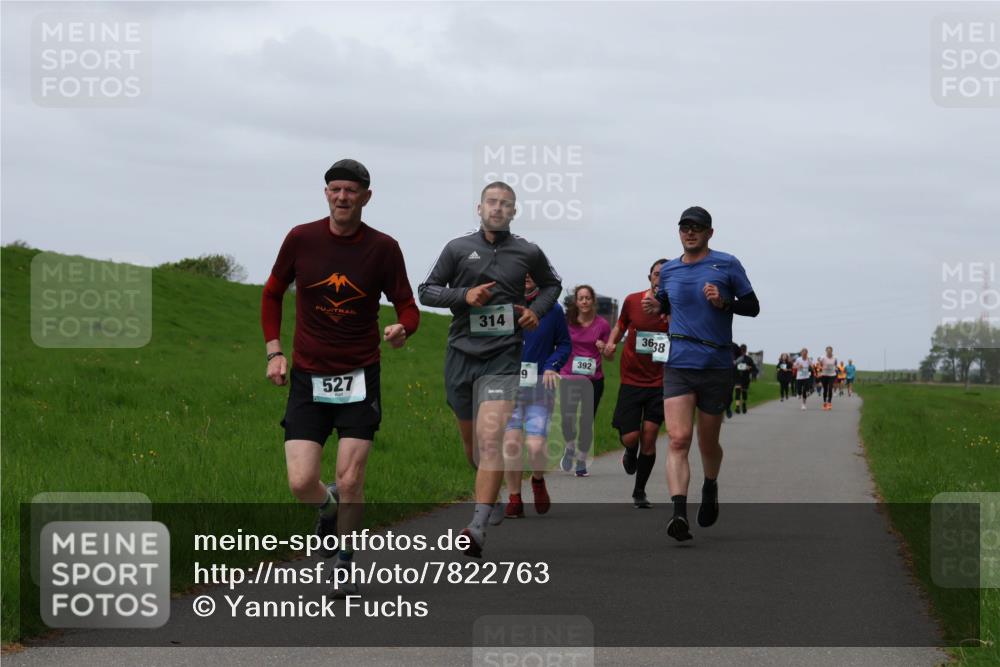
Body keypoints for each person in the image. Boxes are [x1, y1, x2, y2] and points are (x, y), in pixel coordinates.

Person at [262, 159, 419, 596]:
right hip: (308, 377)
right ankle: (327, 506)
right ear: (326, 194)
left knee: (351, 479)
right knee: (300, 483)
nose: (342, 197)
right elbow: (272, 293)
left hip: (359, 377)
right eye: (335, 189)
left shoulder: (383, 248)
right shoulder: (301, 238)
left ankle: (344, 564)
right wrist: (274, 351)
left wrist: (403, 328)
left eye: (351, 190)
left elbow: (407, 305)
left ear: (366, 196)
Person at [418, 181, 562, 557]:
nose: (498, 208)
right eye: (492, 202)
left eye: (505, 204)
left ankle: (477, 527)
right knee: (474, 450)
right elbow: (426, 290)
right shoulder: (457, 248)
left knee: (491, 439)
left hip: (503, 355)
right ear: (479, 208)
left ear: (514, 211)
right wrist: (463, 295)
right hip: (461, 354)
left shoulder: (528, 251)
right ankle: (491, 494)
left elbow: (552, 285)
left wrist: (535, 311)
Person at [642, 206, 760, 542]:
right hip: (679, 363)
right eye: (685, 227)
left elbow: (753, 307)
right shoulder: (670, 270)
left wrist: (724, 302)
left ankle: (710, 486)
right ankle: (678, 513)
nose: (690, 232)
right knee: (679, 439)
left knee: (708, 443)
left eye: (697, 227)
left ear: (710, 232)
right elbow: (668, 303)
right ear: (679, 232)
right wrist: (658, 306)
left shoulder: (727, 264)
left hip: (715, 364)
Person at [603, 258, 670, 508]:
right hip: (632, 378)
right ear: (649, 277)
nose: (660, 278)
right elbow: (620, 325)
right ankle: (630, 451)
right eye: (657, 273)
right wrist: (611, 344)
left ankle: (639, 491)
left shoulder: (676, 307)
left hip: (660, 381)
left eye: (666, 275)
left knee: (650, 437)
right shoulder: (632, 300)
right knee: (631, 437)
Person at [502, 274, 571, 518]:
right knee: (511, 444)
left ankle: (538, 480)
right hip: (507, 386)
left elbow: (564, 344)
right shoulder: (503, 305)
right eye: (522, 271)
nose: (527, 276)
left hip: (539, 387)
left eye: (532, 272)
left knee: (535, 446)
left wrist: (552, 366)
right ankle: (514, 498)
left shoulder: (552, 309)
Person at [559, 285, 612, 477]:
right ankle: (569, 447)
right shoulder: (567, 322)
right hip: (569, 376)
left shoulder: (603, 325)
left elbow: (610, 357)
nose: (584, 301)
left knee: (586, 420)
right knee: (567, 418)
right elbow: (559, 344)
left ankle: (581, 460)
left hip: (593, 379)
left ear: (593, 300)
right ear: (576, 301)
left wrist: (604, 348)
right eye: (581, 298)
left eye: (587, 298)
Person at [731, 344, 758, 414]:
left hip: (745, 378)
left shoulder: (749, 359)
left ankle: (744, 405)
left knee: (744, 393)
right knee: (737, 391)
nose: (743, 352)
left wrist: (749, 368)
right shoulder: (736, 358)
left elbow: (754, 369)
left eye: (744, 350)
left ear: (746, 351)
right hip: (737, 377)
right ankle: (737, 407)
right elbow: (732, 366)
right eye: (742, 350)